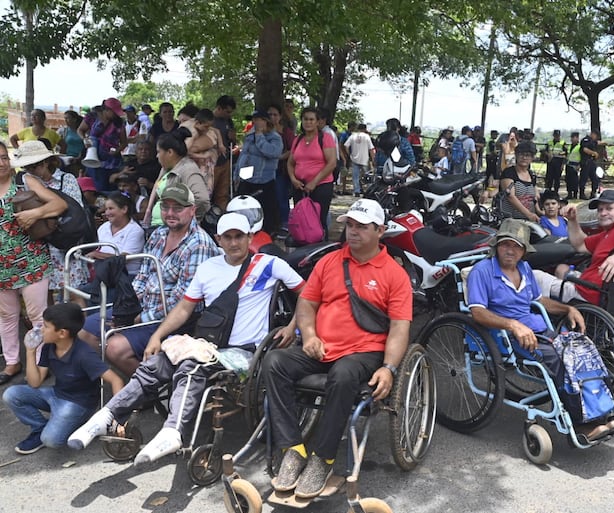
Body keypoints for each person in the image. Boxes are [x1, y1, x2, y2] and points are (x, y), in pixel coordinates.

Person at [68, 213, 305, 465]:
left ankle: (173, 431)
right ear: (219, 240)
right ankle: (107, 416)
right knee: (155, 364)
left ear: (250, 237)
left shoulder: (269, 264)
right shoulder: (208, 268)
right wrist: (157, 337)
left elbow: (308, 294)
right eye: (228, 237)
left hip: (247, 350)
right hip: (211, 344)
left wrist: (292, 327)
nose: (234, 243)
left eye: (240, 237)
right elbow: (183, 309)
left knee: (191, 365)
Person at [264, 199, 412, 499]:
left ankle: (323, 457)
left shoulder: (394, 275)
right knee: (274, 362)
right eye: (349, 225)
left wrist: (389, 368)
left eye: (361, 226)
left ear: (380, 231)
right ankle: (292, 448)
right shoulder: (329, 262)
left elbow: (399, 328)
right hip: (321, 349)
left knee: (344, 375)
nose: (352, 231)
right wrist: (308, 335)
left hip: (363, 352)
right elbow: (306, 303)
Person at [466, 219, 614, 440]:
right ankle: (581, 424)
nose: (510, 250)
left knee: (582, 353)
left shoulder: (525, 268)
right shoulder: (482, 271)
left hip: (538, 330)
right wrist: (513, 324)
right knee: (560, 361)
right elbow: (477, 312)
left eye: (516, 246)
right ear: (497, 246)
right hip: (507, 336)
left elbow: (539, 301)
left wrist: (567, 309)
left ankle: (601, 412)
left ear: (524, 251)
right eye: (505, 244)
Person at [79, 183, 220, 376]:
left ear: (192, 210)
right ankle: (120, 383)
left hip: (175, 319)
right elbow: (142, 277)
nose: (170, 213)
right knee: (85, 331)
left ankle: (151, 390)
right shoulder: (159, 234)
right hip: (142, 308)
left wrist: (139, 318)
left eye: (178, 208)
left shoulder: (199, 245)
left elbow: (183, 303)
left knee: (115, 347)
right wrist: (127, 311)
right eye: (165, 207)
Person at [3, 303, 123, 454]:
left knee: (51, 440)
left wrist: (116, 416)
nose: (40, 330)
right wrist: (30, 351)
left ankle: (75, 423)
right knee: (12, 394)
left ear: (62, 333)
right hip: (56, 394)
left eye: (45, 327)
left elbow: (116, 380)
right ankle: (39, 428)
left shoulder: (83, 354)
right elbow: (35, 382)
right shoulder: (50, 345)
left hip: (78, 404)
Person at [0, 141, 66, 386]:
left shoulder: (25, 181)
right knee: (7, 317)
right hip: (2, 268)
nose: (2, 163)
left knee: (39, 318)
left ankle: (40, 364)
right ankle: (11, 363)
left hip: (31, 262)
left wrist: (35, 214)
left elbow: (59, 205)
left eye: (4, 157)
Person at [534, 190, 614, 305]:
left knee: (534, 274)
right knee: (562, 268)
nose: (603, 213)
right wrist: (572, 220)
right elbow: (581, 245)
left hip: (587, 294)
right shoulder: (609, 232)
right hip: (599, 289)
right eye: (600, 209)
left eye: (609, 208)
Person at [12, 140, 90, 302]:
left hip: (65, 244)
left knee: (74, 294)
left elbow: (75, 210)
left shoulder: (66, 179)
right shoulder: (26, 181)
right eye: (27, 167)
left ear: (46, 162)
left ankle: (80, 327)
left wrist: (37, 213)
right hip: (40, 245)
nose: (32, 170)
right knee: (44, 295)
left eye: (35, 165)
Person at [144, 127, 211, 227]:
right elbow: (157, 185)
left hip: (174, 229)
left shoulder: (188, 170)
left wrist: (182, 220)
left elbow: (202, 200)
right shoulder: (166, 168)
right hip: (158, 227)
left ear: (170, 152)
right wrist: (148, 210)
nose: (157, 156)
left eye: (159, 152)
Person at [287, 107, 337, 237]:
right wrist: (293, 179)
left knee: (318, 221)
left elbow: (331, 163)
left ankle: (321, 250)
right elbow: (291, 162)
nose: (308, 122)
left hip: (321, 185)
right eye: (305, 119)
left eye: (311, 119)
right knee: (302, 219)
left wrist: (314, 182)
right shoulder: (298, 139)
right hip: (300, 186)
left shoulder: (325, 138)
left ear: (317, 122)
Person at [235, 109, 284, 234]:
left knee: (266, 212)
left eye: (257, 120)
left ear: (265, 121)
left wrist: (260, 135)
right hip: (246, 179)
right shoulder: (250, 135)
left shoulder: (275, 138)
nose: (254, 122)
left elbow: (272, 152)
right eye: (254, 120)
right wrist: (236, 174)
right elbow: (244, 155)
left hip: (264, 180)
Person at [79, 98, 128, 192]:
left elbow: (124, 142)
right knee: (96, 188)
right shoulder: (92, 117)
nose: (116, 115)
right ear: (107, 110)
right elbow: (80, 130)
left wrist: (117, 150)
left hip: (112, 162)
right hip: (93, 159)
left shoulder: (118, 122)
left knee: (112, 188)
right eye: (114, 112)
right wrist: (84, 139)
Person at [182, 108, 226, 196]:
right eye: (206, 127)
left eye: (209, 126)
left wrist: (221, 145)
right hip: (193, 163)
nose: (207, 129)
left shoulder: (203, 126)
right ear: (198, 123)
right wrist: (204, 156)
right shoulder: (192, 132)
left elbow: (216, 131)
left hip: (205, 163)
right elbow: (185, 151)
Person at [267, 103, 295, 236]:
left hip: (280, 170)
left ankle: (284, 225)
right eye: (269, 115)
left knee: (281, 198)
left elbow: (292, 150)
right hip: (264, 172)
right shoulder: (261, 132)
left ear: (280, 116)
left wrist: (278, 157)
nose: (272, 117)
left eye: (275, 114)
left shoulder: (286, 132)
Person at [498, 140, 541, 222]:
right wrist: (528, 214)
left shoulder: (532, 175)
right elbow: (510, 196)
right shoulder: (509, 173)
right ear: (516, 155)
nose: (524, 158)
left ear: (532, 158)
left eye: (528, 155)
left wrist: (539, 211)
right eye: (521, 154)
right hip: (511, 219)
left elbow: (535, 198)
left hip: (530, 219)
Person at [211, 95, 237, 210]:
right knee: (208, 192)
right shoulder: (209, 120)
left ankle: (221, 215)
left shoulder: (228, 121)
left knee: (223, 194)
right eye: (227, 112)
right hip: (211, 163)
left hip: (225, 161)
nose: (229, 115)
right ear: (219, 108)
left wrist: (233, 137)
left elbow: (233, 140)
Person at [343, 123, 375, 197]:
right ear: (365, 129)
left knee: (355, 176)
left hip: (354, 158)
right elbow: (371, 148)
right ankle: (368, 190)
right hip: (364, 158)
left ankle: (356, 191)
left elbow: (346, 146)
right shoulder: (367, 136)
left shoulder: (352, 136)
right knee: (367, 175)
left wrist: (349, 154)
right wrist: (373, 159)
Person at [579, 130, 607, 200]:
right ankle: (581, 194)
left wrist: (605, 143)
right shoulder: (586, 140)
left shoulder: (592, 141)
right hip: (586, 162)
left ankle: (593, 192)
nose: (596, 137)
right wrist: (594, 153)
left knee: (595, 178)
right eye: (595, 136)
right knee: (584, 178)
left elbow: (598, 142)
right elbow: (585, 149)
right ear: (592, 134)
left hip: (592, 162)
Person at [57, 110, 85, 176]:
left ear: (74, 119)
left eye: (68, 118)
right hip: (67, 158)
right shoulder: (63, 131)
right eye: (65, 118)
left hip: (80, 159)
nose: (66, 120)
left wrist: (79, 157)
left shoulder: (82, 131)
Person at [565, 132, 582, 199]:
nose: (572, 139)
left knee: (574, 181)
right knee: (568, 180)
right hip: (569, 165)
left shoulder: (580, 147)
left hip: (575, 165)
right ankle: (569, 194)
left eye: (573, 137)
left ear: (577, 138)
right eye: (571, 137)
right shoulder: (570, 146)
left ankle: (575, 194)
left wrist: (580, 165)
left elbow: (582, 157)